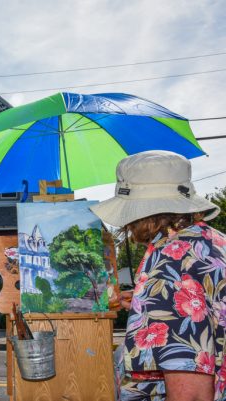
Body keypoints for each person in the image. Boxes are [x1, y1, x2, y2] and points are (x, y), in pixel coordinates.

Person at [89, 150, 225, 401]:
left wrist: (155, 293)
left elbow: (192, 393)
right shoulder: (212, 241)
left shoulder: (169, 265)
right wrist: (147, 299)